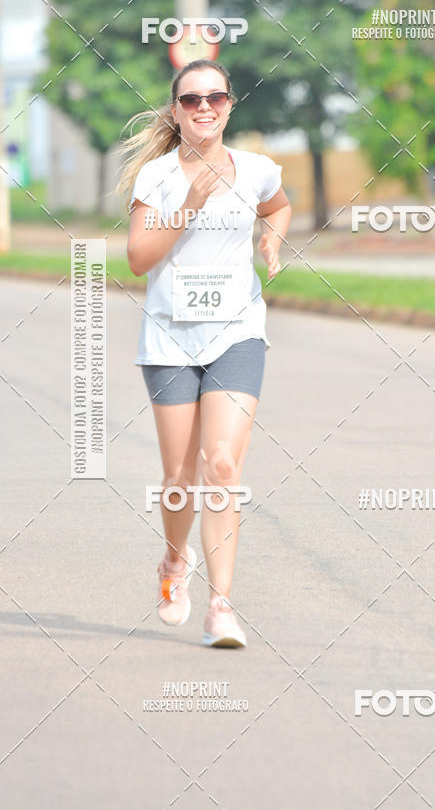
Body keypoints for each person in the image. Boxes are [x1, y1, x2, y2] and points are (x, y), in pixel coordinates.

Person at [116, 59, 292, 647]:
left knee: (222, 466)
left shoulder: (258, 170)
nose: (204, 108)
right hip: (169, 338)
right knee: (178, 477)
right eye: (191, 100)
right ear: (176, 110)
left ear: (230, 104)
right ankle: (174, 561)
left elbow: (279, 205)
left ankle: (222, 606)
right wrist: (190, 203)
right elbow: (138, 259)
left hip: (237, 331)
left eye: (215, 97)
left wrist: (272, 235)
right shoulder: (159, 179)